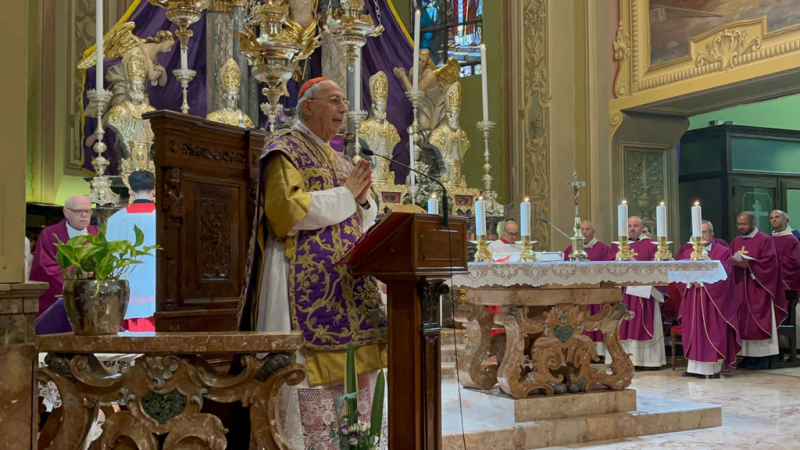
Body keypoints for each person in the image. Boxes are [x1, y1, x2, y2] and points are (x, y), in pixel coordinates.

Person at [239, 77, 384, 448]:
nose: (342, 109)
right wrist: (346, 194)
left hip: (346, 285)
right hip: (296, 279)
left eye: (344, 103)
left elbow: (359, 218)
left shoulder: (340, 159)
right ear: (307, 106)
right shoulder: (284, 148)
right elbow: (287, 211)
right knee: (301, 373)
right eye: (334, 100)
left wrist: (363, 202)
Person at [674, 221, 741, 378]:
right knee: (693, 330)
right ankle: (693, 367)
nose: (702, 236)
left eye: (705, 232)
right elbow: (679, 275)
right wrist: (691, 281)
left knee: (711, 331)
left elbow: (725, 275)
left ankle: (713, 369)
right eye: (698, 233)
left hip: (713, 301)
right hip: (693, 297)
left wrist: (703, 282)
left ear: (712, 234)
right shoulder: (687, 254)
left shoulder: (722, 252)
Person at [607, 216, 666, 369]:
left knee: (642, 320)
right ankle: (622, 359)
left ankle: (648, 361)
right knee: (622, 324)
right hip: (623, 293)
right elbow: (609, 267)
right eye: (629, 226)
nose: (632, 229)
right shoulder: (617, 246)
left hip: (644, 292)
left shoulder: (652, 245)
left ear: (641, 227)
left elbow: (659, 267)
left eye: (635, 226)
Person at [731, 212, 787, 370]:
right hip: (741, 287)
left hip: (759, 287)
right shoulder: (736, 241)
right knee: (743, 321)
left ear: (753, 222)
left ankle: (764, 357)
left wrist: (750, 265)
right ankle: (747, 356)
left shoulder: (765, 240)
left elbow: (770, 264)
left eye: (744, 224)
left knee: (759, 320)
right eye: (739, 224)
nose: (741, 227)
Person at [104, 170, 158, 332]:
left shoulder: (115, 220)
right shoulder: (161, 217)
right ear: (154, 190)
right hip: (155, 287)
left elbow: (108, 256)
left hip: (124, 289)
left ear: (130, 190)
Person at [30, 195, 98, 318]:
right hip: (58, 299)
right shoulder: (51, 234)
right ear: (66, 212)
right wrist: (76, 274)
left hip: (91, 299)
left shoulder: (96, 234)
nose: (84, 215)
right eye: (78, 211)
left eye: (87, 211)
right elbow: (45, 267)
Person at [563, 220, 613, 356]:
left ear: (593, 232)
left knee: (594, 319)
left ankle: (598, 353)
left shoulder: (603, 248)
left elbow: (608, 269)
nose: (584, 232)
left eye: (587, 229)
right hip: (576, 293)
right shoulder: (570, 249)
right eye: (582, 230)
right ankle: (576, 351)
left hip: (595, 293)